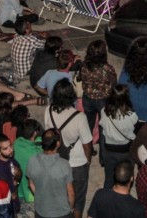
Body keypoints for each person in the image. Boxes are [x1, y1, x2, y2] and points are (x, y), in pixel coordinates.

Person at [43, 79, 93, 218]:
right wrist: (88, 161)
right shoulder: (80, 117)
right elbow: (87, 145)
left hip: (55, 160)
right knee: (78, 200)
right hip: (76, 163)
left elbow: (49, 133)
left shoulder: (49, 110)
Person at [26, 128, 75, 218]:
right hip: (62, 212)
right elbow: (71, 193)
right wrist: (71, 208)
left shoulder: (32, 160)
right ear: (57, 144)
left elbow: (31, 184)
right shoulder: (64, 164)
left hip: (41, 210)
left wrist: (41, 197)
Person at [98, 84, 138, 189]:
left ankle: (107, 198)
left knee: (109, 178)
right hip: (125, 151)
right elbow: (133, 131)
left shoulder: (104, 111)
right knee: (125, 178)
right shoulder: (131, 115)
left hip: (109, 148)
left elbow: (102, 127)